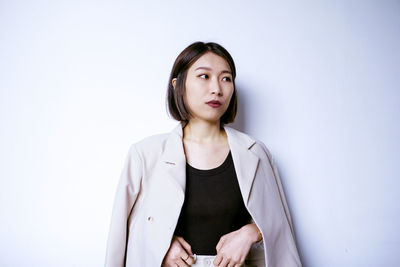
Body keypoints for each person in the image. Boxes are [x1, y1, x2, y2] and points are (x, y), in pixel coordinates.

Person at [104, 41, 302, 267]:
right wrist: (160, 248)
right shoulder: (145, 154)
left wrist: (251, 232)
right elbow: (123, 235)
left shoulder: (255, 153)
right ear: (178, 85)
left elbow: (281, 231)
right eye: (204, 76)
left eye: (226, 78)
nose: (217, 88)